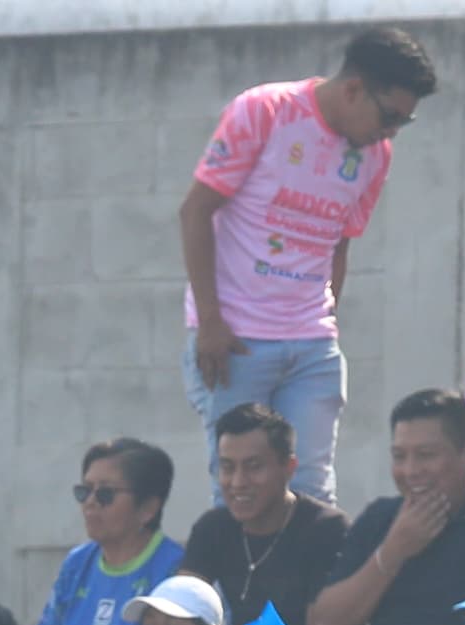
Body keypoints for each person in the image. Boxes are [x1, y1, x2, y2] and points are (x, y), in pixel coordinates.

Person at [176, 31, 431, 509]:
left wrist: (326, 320)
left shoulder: (376, 154)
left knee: (313, 494)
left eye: (405, 120)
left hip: (312, 343)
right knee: (241, 495)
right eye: (390, 115)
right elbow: (195, 212)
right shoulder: (264, 111)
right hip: (236, 340)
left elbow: (340, 243)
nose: (392, 131)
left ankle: (310, 588)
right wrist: (209, 321)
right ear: (354, 89)